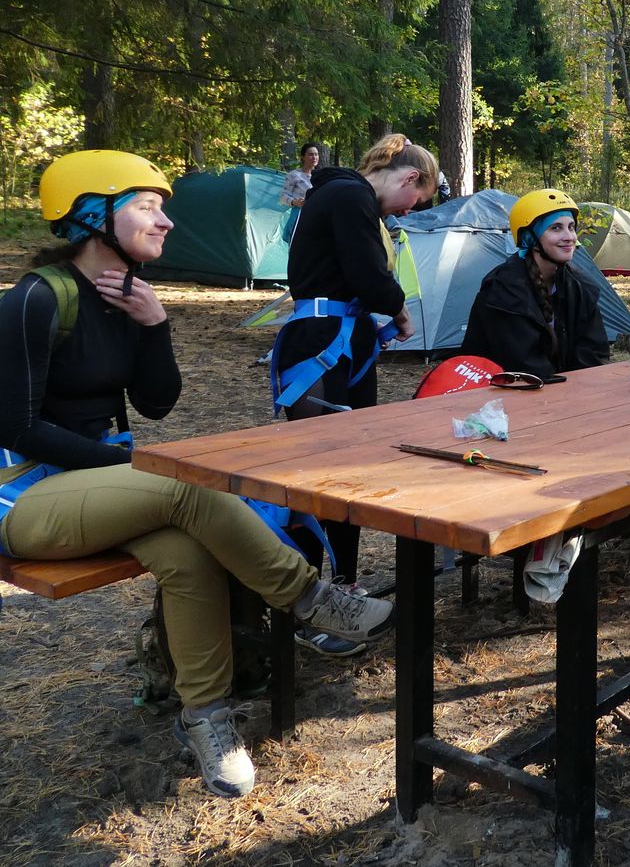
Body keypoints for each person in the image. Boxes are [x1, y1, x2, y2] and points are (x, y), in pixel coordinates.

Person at [0, 150, 394, 798]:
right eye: (148, 205)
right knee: (191, 484)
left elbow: (157, 401)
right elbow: (16, 428)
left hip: (98, 492)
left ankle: (206, 719)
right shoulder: (35, 300)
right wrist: (138, 466)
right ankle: (308, 599)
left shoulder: (126, 298)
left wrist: (154, 325)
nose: (167, 222)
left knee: (189, 556)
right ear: (93, 212)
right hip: (23, 500)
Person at [269, 133, 436, 649]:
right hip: (320, 342)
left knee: (350, 473)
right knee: (318, 474)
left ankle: (341, 586)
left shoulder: (345, 196)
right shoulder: (348, 196)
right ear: (409, 179)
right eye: (417, 199)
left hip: (344, 340)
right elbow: (366, 270)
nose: (409, 212)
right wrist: (399, 309)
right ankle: (308, 600)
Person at [459, 188, 610, 379]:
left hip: (564, 393)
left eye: (571, 227)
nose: (569, 236)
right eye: (556, 228)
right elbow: (524, 367)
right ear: (530, 238)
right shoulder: (504, 291)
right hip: (502, 395)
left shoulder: (579, 287)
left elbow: (593, 354)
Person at [279, 142, 319, 242]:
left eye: (316, 154)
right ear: (303, 157)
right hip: (299, 215)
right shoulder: (294, 175)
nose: (314, 157)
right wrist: (295, 202)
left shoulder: (321, 176)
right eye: (310, 154)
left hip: (317, 216)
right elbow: (283, 197)